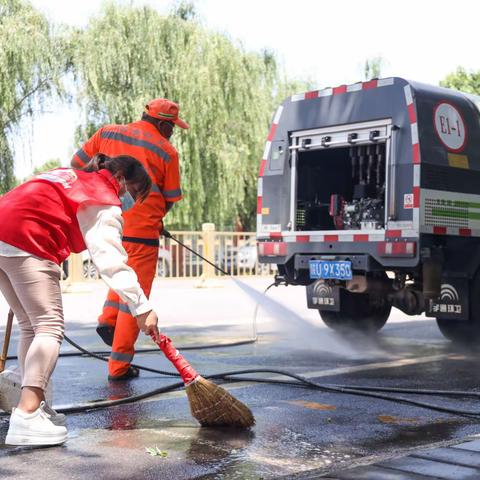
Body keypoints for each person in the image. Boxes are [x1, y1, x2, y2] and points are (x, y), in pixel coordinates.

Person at [0, 154, 159, 446]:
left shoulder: (70, 175)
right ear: (120, 179)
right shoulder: (102, 197)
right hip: (28, 238)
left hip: (3, 229)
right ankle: (27, 413)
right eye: (130, 193)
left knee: (30, 326)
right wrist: (141, 306)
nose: (126, 201)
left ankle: (38, 408)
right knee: (49, 326)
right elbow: (109, 258)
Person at [71, 98, 188, 381]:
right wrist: (156, 219)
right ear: (162, 123)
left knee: (120, 272)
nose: (172, 132)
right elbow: (171, 197)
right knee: (136, 299)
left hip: (106, 221)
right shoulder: (167, 151)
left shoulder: (107, 132)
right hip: (142, 231)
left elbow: (77, 165)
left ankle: (108, 320)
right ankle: (119, 366)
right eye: (171, 127)